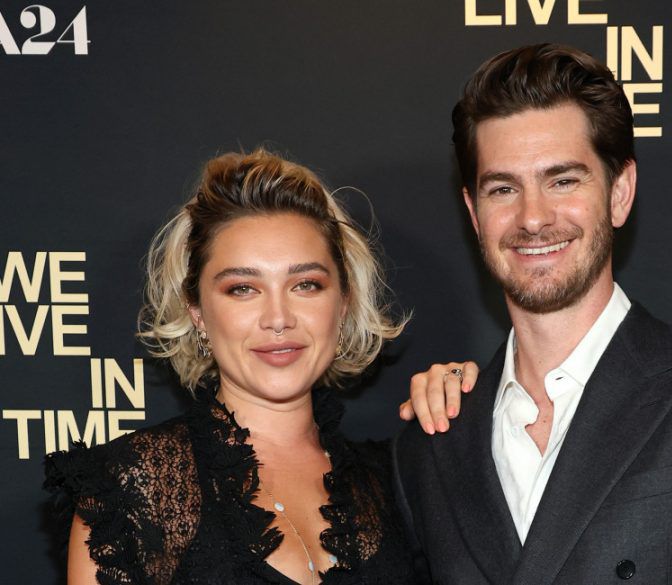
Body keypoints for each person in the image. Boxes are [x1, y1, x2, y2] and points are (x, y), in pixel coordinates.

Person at [393, 43, 672, 584]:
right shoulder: (432, 440)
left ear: (619, 192)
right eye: (503, 188)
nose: (533, 218)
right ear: (473, 212)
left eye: (563, 181)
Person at [44, 149, 475, 584]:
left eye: (306, 285)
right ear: (197, 311)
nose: (278, 317)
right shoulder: (133, 489)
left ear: (343, 303)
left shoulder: (395, 480)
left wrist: (481, 402)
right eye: (243, 289)